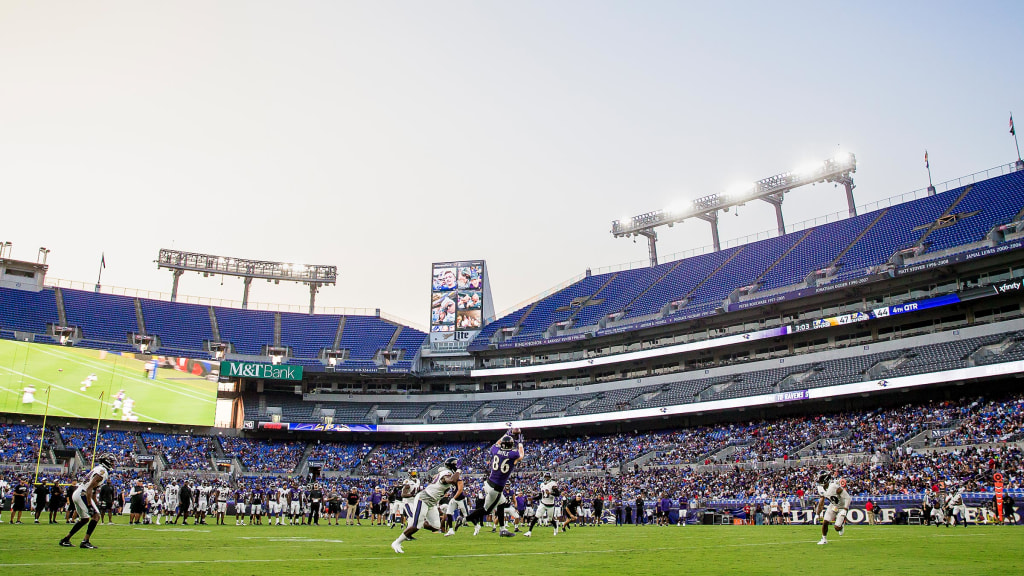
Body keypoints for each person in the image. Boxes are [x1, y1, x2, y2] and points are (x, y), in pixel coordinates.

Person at [391, 457, 460, 554]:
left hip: (432, 502)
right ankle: (397, 542)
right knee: (416, 525)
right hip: (424, 498)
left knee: (436, 526)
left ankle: (420, 522)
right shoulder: (447, 474)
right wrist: (458, 471)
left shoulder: (446, 473)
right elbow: (451, 480)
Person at [466, 428, 524, 537]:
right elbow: (521, 455)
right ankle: (465, 518)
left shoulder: (495, 450)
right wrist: (520, 442)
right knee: (486, 510)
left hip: (489, 483)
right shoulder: (512, 455)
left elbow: (497, 443)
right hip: (496, 488)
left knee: (501, 504)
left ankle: (502, 530)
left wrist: (507, 433)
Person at [60, 453, 117, 549]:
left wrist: (95, 502)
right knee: (96, 516)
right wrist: (90, 505)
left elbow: (93, 490)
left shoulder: (98, 469)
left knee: (85, 519)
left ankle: (66, 539)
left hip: (79, 492)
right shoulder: (102, 471)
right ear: (106, 462)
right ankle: (85, 541)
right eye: (111, 461)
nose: (113, 464)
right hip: (83, 493)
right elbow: (90, 488)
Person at [815, 470, 851, 545]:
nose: (819, 480)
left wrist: (845, 509)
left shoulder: (834, 486)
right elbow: (821, 502)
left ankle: (841, 526)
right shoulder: (820, 488)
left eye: (821, 478)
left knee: (837, 528)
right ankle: (824, 539)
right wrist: (817, 514)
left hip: (842, 506)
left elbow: (848, 498)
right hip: (833, 505)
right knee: (825, 522)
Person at [444, 467, 470, 535]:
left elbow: (460, 490)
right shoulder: (451, 478)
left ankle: (460, 521)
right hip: (454, 498)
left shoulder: (459, 479)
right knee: (448, 512)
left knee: (466, 517)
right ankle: (451, 530)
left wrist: (454, 497)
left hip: (460, 499)